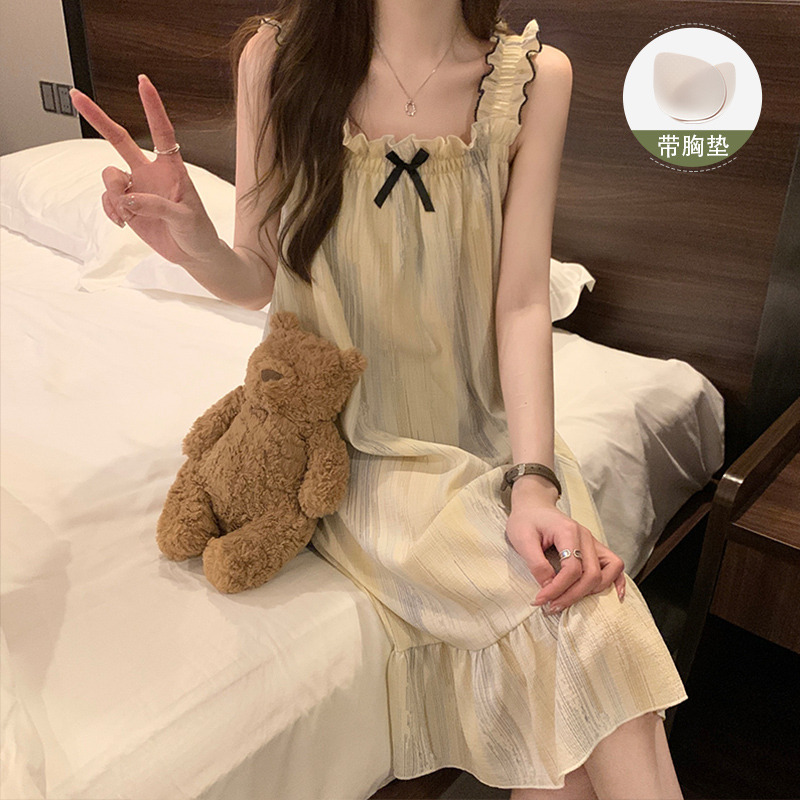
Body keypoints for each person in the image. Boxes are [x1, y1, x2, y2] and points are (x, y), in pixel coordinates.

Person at [69, 1, 688, 796]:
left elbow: (523, 302)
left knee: (574, 655)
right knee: (584, 624)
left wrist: (534, 480)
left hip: (491, 438)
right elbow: (258, 277)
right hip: (352, 445)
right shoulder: (275, 61)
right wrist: (195, 246)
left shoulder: (536, 81)